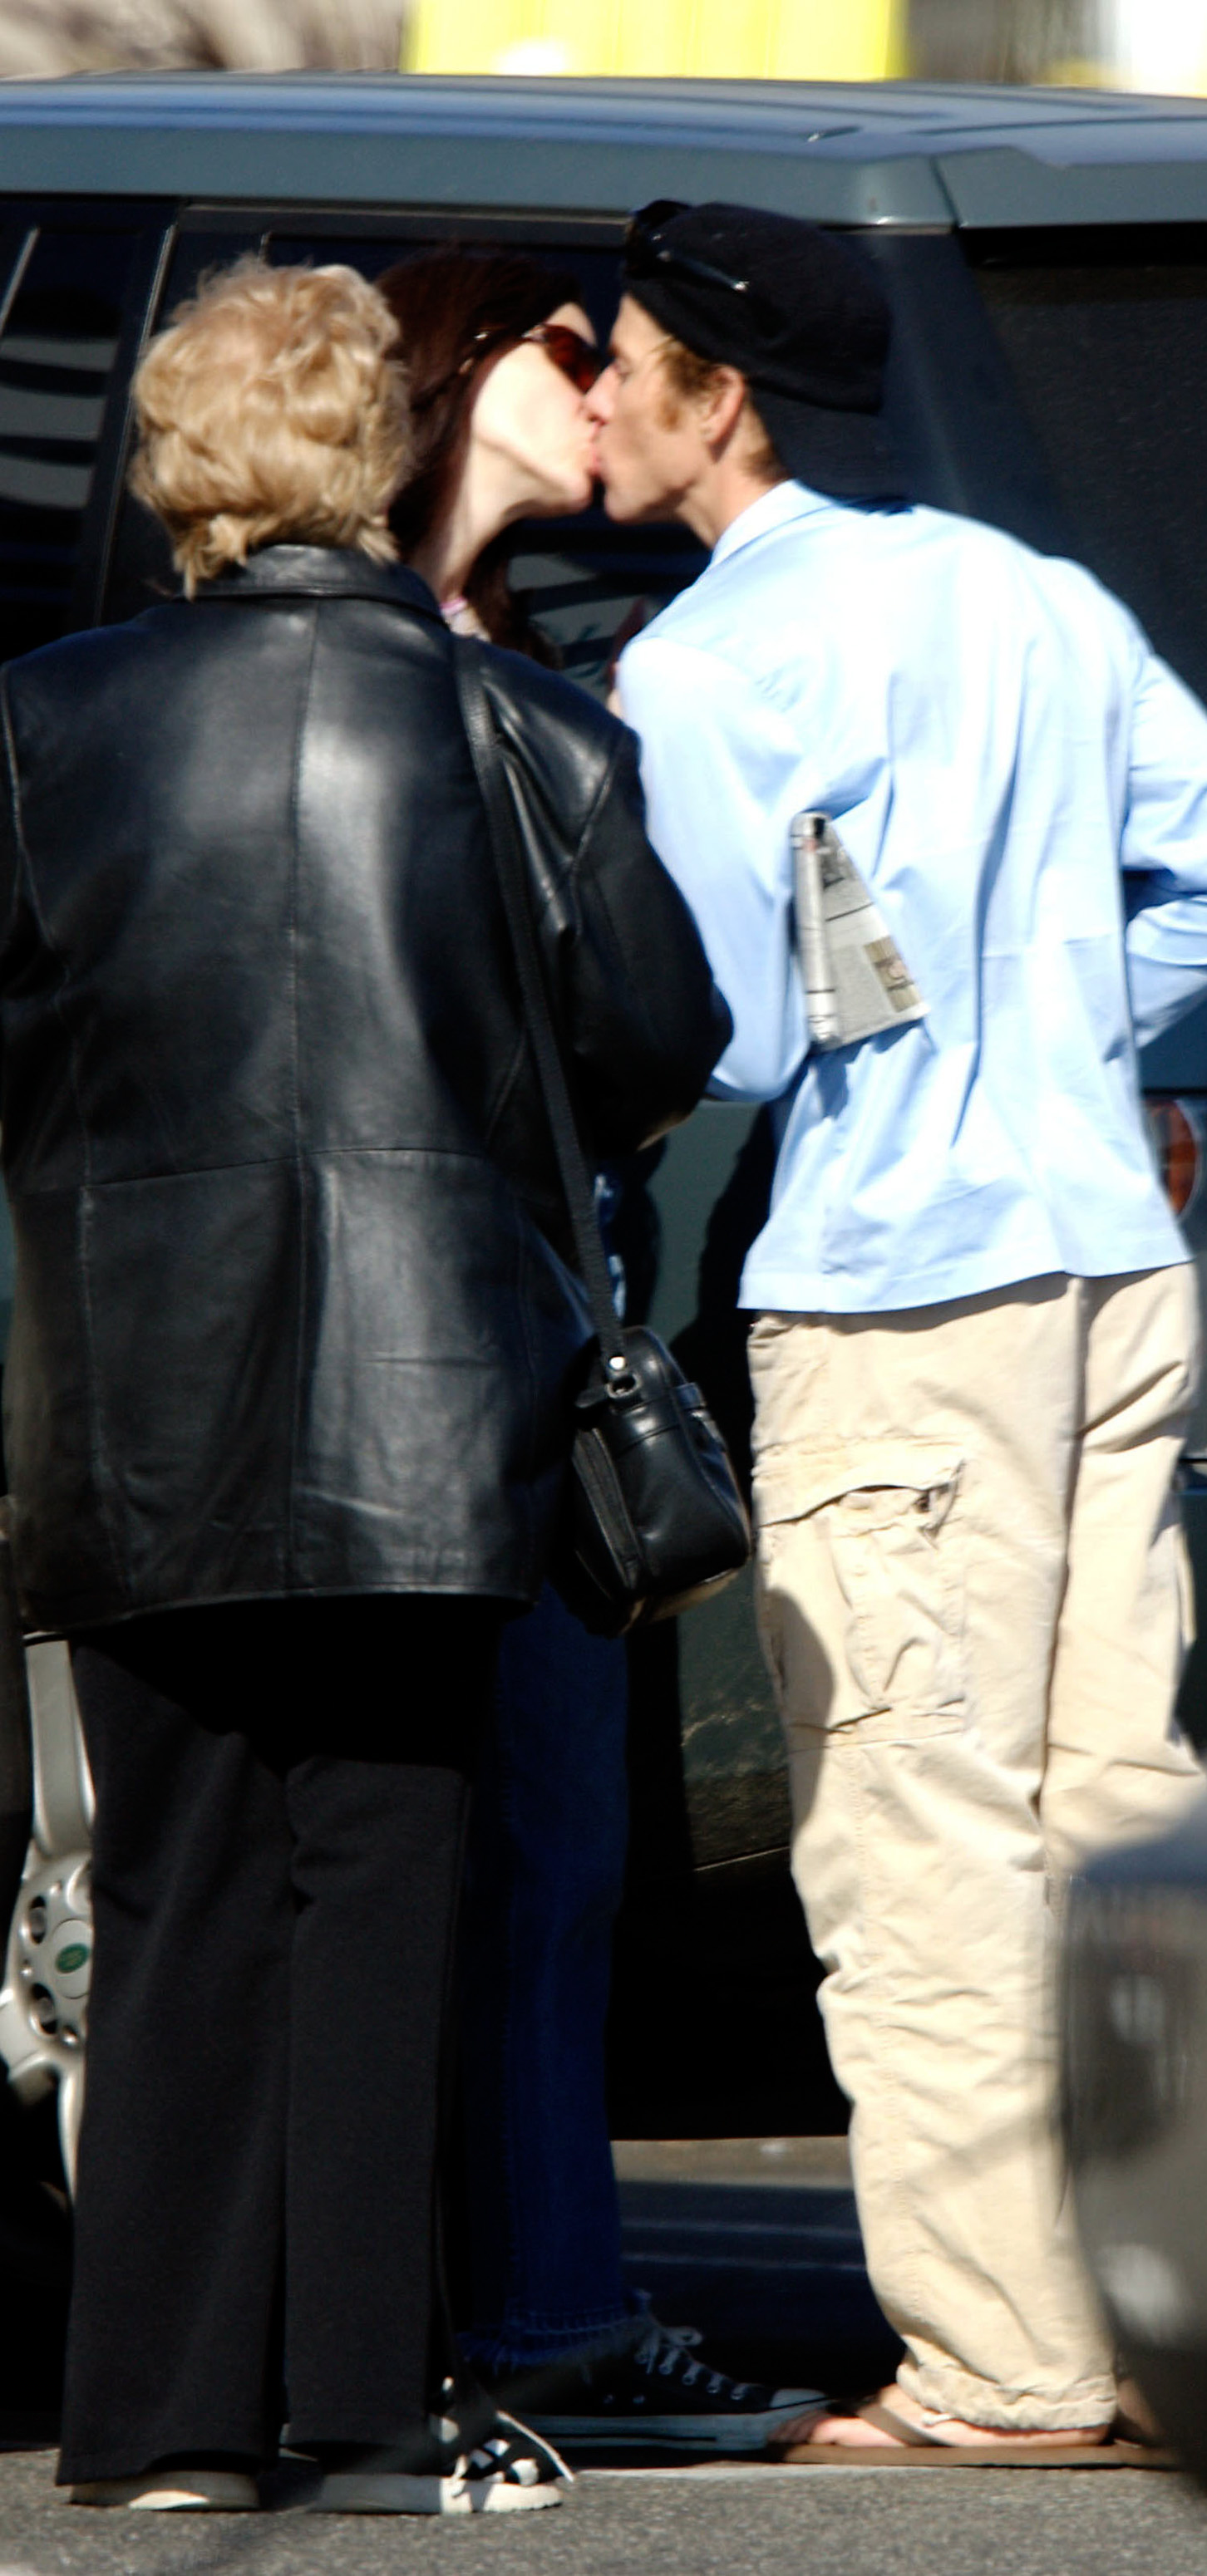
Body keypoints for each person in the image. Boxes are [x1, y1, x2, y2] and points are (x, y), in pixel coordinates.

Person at [0, 254, 729, 2515]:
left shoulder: (42, 720)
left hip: (136, 1403)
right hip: (434, 1402)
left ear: (181, 460)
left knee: (181, 1892)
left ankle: (150, 2417)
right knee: (392, 1882)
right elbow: (661, 1038)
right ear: (375, 453)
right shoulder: (527, 730)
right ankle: (363, 2406)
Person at [588, 199, 1207, 2456]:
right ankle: (1177, 2316)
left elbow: (700, 1030)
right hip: (1111, 1271)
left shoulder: (703, 669)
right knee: (1113, 1812)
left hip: (902, 1301)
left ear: (720, 395)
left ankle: (1004, 2367)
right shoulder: (1040, 596)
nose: (596, 391)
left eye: (619, 358)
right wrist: (1066, 1029)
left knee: (920, 1841)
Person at [376, 241, 822, 2454]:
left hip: (540, 1315)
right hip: (397, 1328)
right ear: (454, 375)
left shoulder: (533, 655)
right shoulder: (339, 656)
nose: (605, 381)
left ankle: (545, 2302)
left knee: (551, 1840)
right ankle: (435, 2321)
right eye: (568, 348)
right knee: (391, 1849)